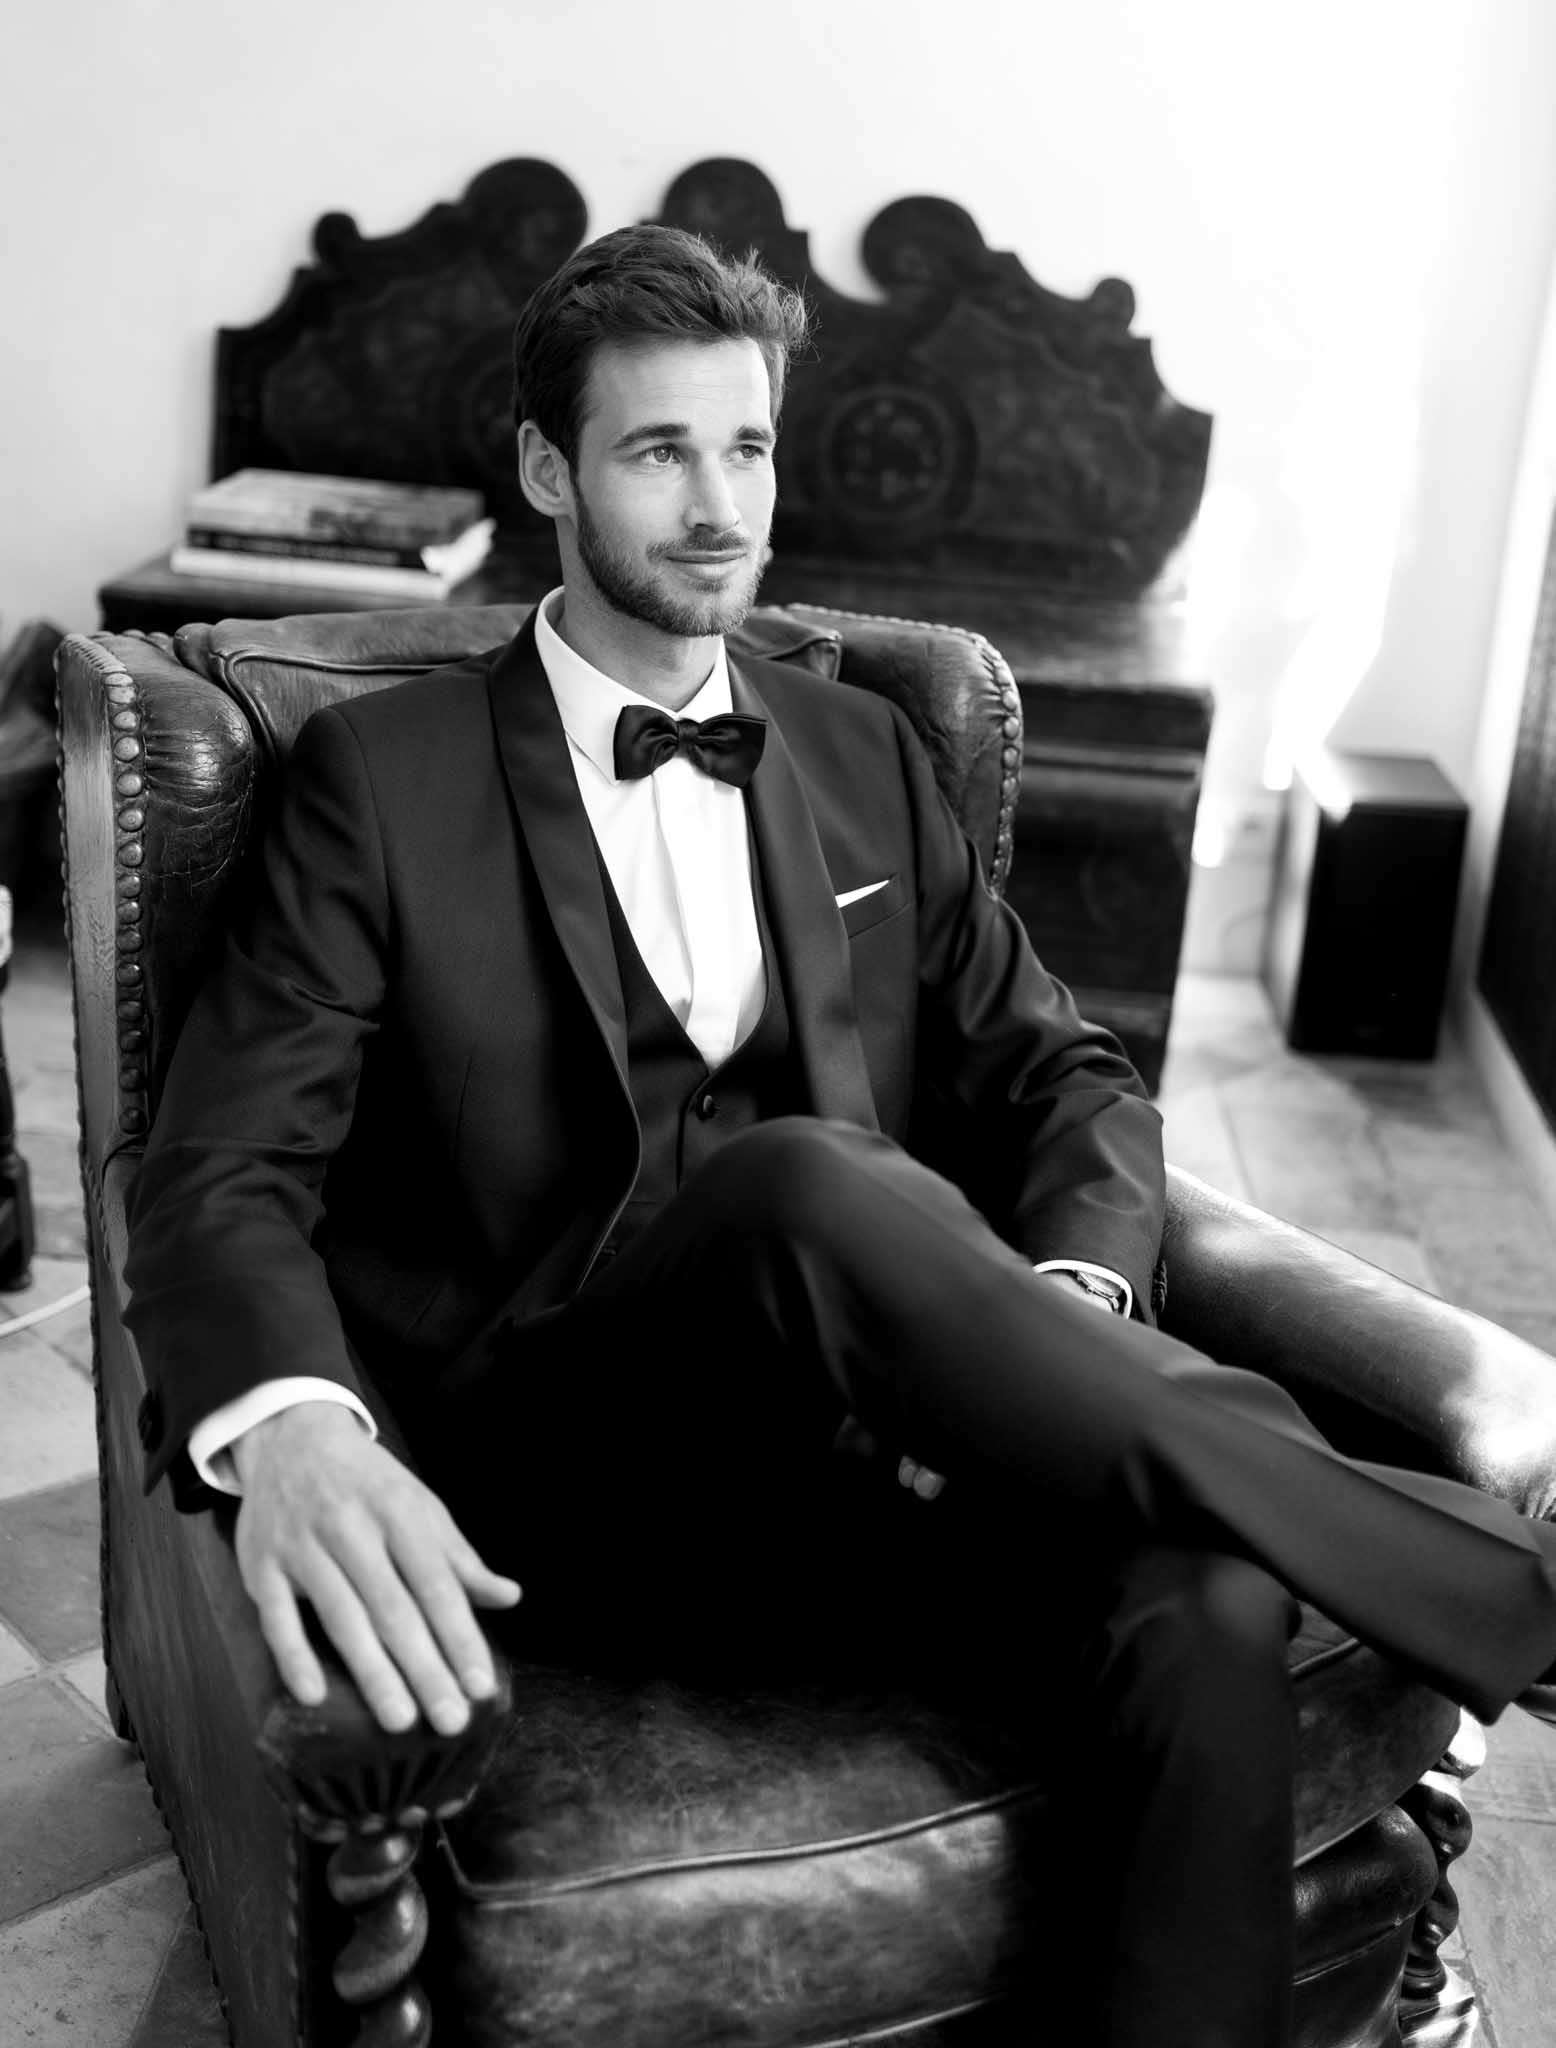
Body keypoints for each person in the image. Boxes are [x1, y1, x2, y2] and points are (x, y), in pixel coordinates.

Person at [124, 224, 1556, 2048]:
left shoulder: (866, 749)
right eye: (660, 452)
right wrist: (299, 1434)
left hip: (886, 1462)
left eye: (751, 449)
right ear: (551, 469)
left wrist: (1058, 1315)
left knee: (1195, 1592)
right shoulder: (379, 778)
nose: (721, 505)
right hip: (576, 1469)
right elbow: (217, 1170)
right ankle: (1513, 1589)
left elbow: (1065, 1080)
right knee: (802, 1174)